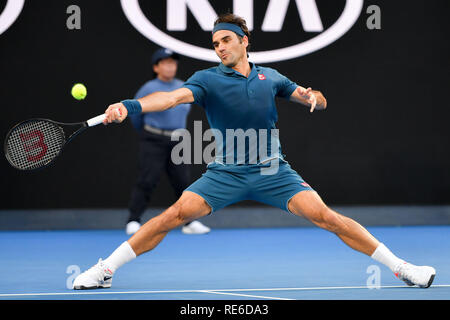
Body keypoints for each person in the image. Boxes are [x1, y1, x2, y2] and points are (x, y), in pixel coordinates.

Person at [73, 13, 435, 290]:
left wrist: (315, 98)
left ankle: (403, 268)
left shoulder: (272, 78)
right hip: (225, 173)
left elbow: (315, 100)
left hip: (272, 171)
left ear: (244, 41)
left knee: (327, 217)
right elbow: (169, 98)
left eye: (226, 40)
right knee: (173, 215)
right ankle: (105, 269)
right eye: (215, 44)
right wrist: (129, 106)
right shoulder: (206, 80)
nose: (220, 48)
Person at [126, 48, 211, 235]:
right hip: (153, 139)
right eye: (165, 63)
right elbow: (136, 115)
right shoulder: (148, 88)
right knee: (147, 180)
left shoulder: (183, 87)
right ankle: (133, 220)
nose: (170, 66)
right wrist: (150, 132)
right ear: (156, 67)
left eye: (172, 63)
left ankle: (189, 223)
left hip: (178, 141)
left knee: (183, 183)